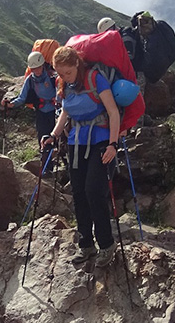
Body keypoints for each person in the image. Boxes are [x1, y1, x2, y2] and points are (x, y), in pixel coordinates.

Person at [42, 45, 121, 268]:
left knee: (94, 191)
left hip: (101, 141)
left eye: (67, 72)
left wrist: (113, 144)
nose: (64, 77)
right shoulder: (65, 84)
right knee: (78, 194)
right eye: (60, 73)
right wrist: (53, 135)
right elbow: (65, 112)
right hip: (77, 141)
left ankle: (106, 244)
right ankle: (86, 244)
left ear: (77, 64)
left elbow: (113, 112)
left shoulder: (96, 79)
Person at [2, 50, 58, 149]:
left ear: (42, 65)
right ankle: (45, 160)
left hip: (55, 111)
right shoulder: (30, 80)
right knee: (43, 140)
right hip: (41, 113)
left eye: (38, 68)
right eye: (33, 69)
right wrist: (12, 104)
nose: (36, 71)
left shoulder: (53, 76)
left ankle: (61, 158)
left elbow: (61, 92)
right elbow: (22, 98)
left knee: (57, 137)